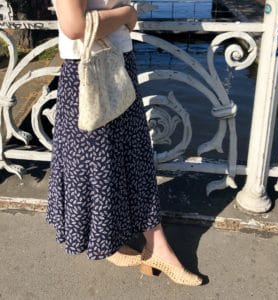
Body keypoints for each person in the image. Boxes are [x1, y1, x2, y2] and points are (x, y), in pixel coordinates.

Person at [46, 0, 202, 286]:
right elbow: (74, 26)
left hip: (119, 62)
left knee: (132, 158)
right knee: (101, 167)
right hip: (87, 72)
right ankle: (123, 244)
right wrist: (128, 13)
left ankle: (149, 245)